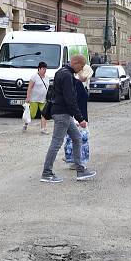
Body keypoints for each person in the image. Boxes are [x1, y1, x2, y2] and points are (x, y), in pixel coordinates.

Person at [41, 55, 96, 183]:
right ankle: (46, 172)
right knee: (56, 143)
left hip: (62, 112)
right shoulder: (67, 76)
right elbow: (70, 100)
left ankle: (80, 170)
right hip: (62, 113)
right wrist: (80, 119)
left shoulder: (61, 72)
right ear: (75, 63)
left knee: (77, 138)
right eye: (81, 67)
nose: (81, 70)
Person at [63, 64, 92, 169]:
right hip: (78, 116)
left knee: (77, 139)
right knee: (78, 139)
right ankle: (77, 161)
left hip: (80, 115)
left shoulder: (81, 84)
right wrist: (80, 117)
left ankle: (76, 160)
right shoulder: (78, 83)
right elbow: (76, 101)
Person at [25, 61, 50, 134]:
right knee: (32, 115)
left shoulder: (47, 77)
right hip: (34, 99)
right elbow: (30, 87)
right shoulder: (34, 77)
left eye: (45, 69)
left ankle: (43, 129)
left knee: (44, 114)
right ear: (39, 69)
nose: (44, 70)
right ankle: (26, 123)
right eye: (43, 69)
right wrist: (28, 97)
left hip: (43, 99)